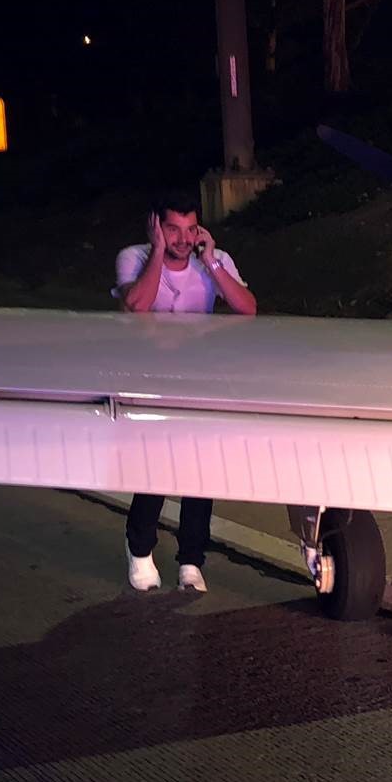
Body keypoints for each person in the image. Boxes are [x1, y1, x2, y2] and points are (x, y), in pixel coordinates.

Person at [114, 190, 257, 593]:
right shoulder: (134, 258)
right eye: (171, 229)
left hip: (202, 377)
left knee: (200, 471)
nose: (181, 238)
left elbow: (248, 309)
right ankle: (139, 547)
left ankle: (191, 560)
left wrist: (210, 259)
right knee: (157, 467)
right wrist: (157, 252)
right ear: (156, 226)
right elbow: (136, 305)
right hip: (152, 378)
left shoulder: (215, 260)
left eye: (189, 229)